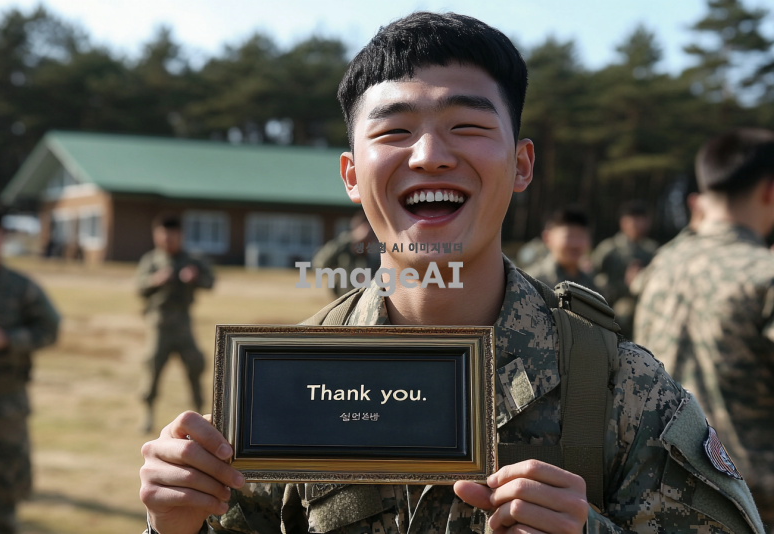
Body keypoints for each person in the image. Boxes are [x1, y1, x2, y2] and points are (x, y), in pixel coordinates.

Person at [139, 13, 764, 534]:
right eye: (394, 131)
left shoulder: (618, 389)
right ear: (351, 176)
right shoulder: (288, 385)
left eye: (467, 126)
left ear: (521, 166)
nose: (431, 156)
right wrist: (174, 525)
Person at [635, 128, 774, 529]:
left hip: (656, 497)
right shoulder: (764, 275)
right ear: (770, 191)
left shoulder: (660, 265)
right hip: (750, 508)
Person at [0, 209, 60, 534]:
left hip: (5, 407)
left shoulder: (22, 288)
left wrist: (9, 340)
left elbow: (50, 329)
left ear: (2, 239)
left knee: (5, 492)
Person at [136, 214, 215, 433]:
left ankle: (201, 415)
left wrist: (195, 277)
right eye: (163, 236)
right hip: (159, 324)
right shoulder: (151, 260)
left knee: (195, 365)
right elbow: (138, 287)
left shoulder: (192, 259)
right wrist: (155, 280)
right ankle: (147, 415)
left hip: (183, 324)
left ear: (180, 236)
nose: (167, 241)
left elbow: (210, 281)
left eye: (172, 236)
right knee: (152, 367)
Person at [591, 200, 657, 338]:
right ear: (623, 222)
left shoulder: (651, 250)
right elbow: (591, 277)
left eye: (642, 220)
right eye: (634, 221)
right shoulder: (609, 249)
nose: (639, 225)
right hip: (614, 304)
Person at [312, 210, 381, 297]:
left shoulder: (379, 255)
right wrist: (350, 238)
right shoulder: (344, 252)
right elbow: (319, 263)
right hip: (345, 299)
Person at [524, 206, 595, 290]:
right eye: (569, 236)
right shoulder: (530, 283)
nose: (575, 244)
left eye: (581, 236)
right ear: (547, 238)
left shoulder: (592, 285)